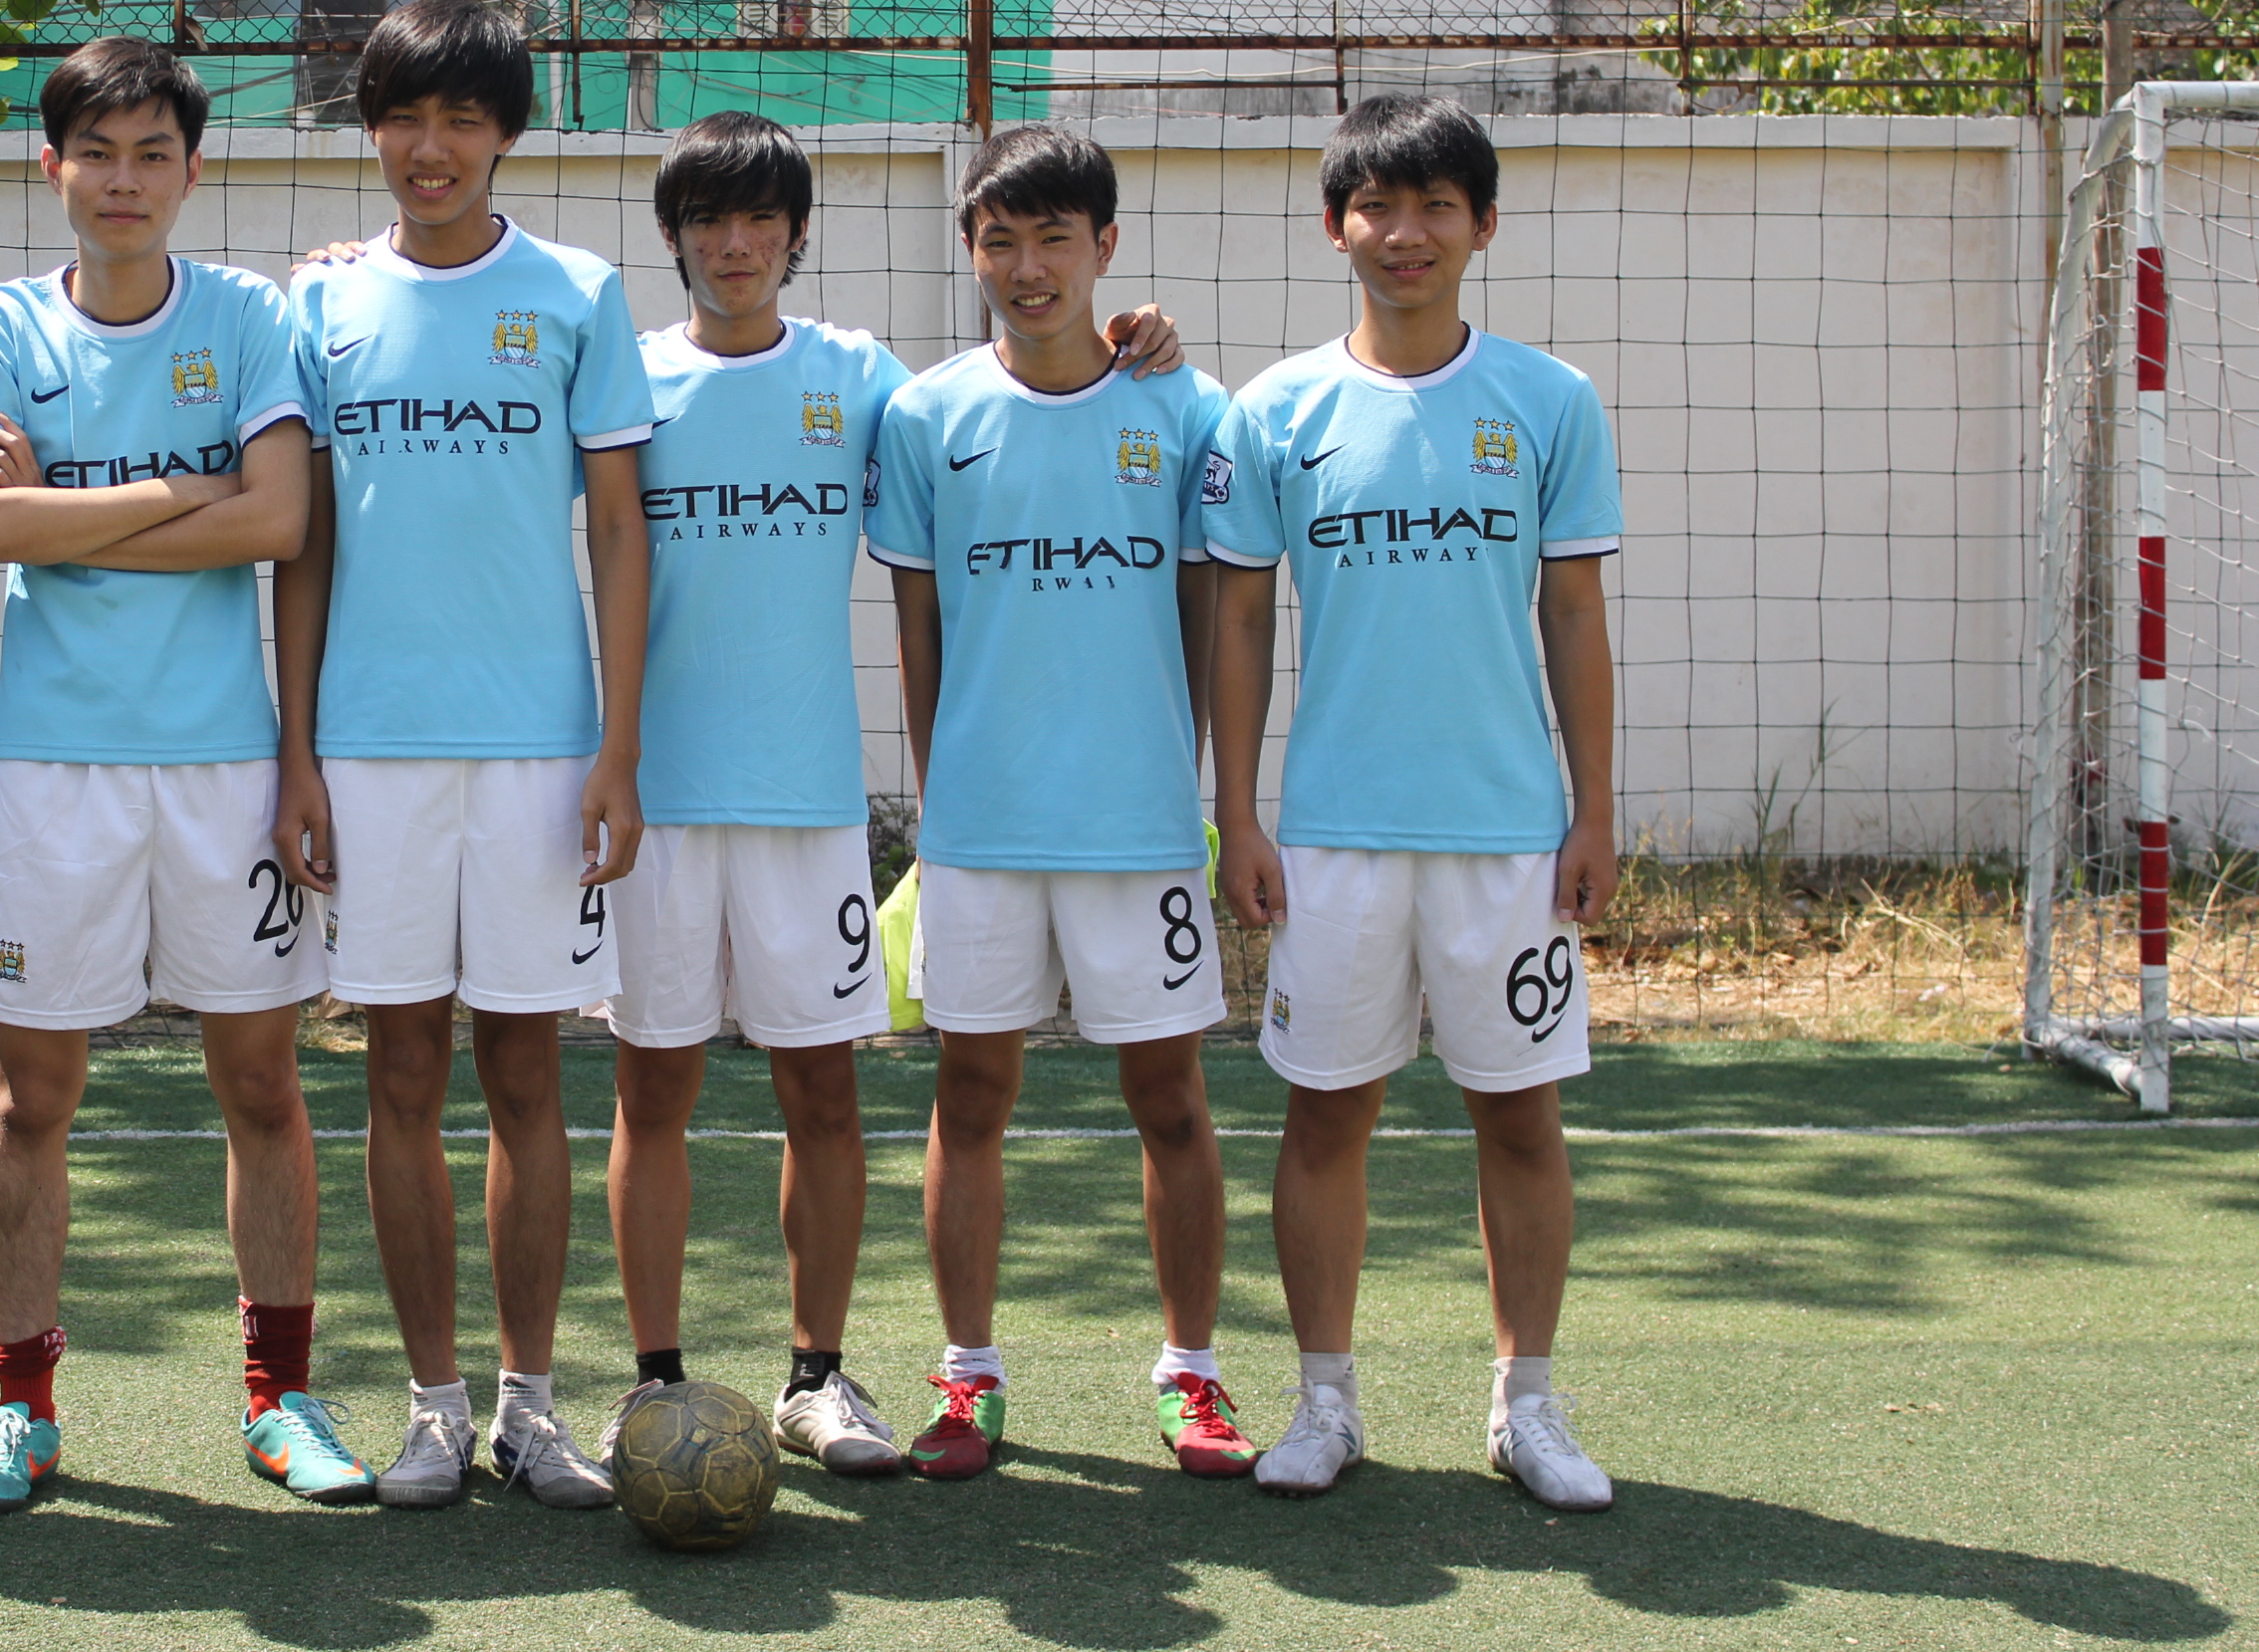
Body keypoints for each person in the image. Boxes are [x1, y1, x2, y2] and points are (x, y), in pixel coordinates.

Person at [600, 110, 1189, 1480]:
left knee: (826, 1097)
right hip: (660, 807)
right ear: (674, 237)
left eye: (761, 219)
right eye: (707, 220)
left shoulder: (866, 382)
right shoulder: (624, 380)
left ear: (798, 236)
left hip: (810, 805)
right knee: (652, 1097)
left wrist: (1139, 338)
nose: (734, 245)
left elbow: (1017, 390)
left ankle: (815, 1376)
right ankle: (653, 1384)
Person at [0, 38, 373, 1512]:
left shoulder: (247, 317)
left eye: (152, 155)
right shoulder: (0, 324)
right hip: (57, 769)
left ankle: (281, 1399)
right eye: (97, 153)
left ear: (193, 170)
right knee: (34, 1092)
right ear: (51, 163)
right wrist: (185, 491)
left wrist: (73, 512)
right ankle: (20, 1407)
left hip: (222, 767)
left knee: (261, 1080)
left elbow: (279, 522)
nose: (123, 180)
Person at [1200, 92, 1624, 1513]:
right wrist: (1240, 813)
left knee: (1521, 1120)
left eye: (1437, 205)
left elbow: (1575, 612)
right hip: (1334, 836)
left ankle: (1527, 1408)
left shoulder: (1549, 401)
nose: (1406, 232)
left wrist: (1594, 810)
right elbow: (1240, 621)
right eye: (1378, 205)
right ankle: (1325, 1403)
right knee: (1327, 1120)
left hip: (1508, 839)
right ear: (1337, 227)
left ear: (1482, 226)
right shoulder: (1278, 410)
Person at [271, 0, 655, 1511]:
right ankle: (431, 1409)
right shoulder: (317, 304)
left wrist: (617, 748)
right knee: (402, 1069)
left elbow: (618, 531)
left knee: (527, 1070)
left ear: (505, 134)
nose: (430, 149)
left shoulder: (577, 293)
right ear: (370, 128)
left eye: (463, 120)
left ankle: (529, 1408)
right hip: (369, 751)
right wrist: (299, 753)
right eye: (405, 119)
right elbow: (300, 544)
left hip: (539, 751)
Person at [865, 124, 1246, 1483]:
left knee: (1172, 1098)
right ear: (971, 249)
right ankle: (967, 1376)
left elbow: (1208, 614)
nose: (1028, 268)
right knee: (970, 1094)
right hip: (983, 829)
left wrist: (1187, 783)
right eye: (1000, 241)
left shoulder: (1184, 409)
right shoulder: (925, 417)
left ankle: (1193, 1373)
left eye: (1054, 240)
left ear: (1106, 248)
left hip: (1139, 828)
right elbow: (918, 631)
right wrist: (942, 803)